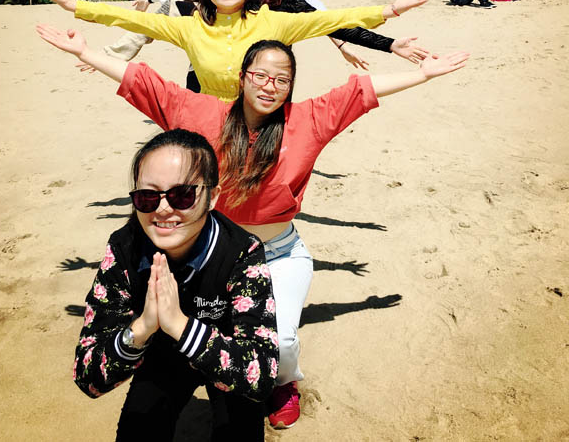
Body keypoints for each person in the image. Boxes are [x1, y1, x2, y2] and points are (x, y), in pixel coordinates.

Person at [35, 28, 470, 429]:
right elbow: (150, 86)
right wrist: (86, 52)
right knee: (187, 345)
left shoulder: (309, 119)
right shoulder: (205, 114)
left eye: (282, 79)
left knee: (281, 341)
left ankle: (284, 383)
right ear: (242, 78)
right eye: (260, 75)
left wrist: (423, 75)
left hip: (279, 253)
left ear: (291, 86)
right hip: (215, 256)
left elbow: (360, 91)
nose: (269, 86)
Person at [73, 128, 278, 440]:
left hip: (226, 352)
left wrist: (180, 326)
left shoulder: (241, 252)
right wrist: (141, 328)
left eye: (182, 195)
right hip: (161, 356)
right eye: (147, 196)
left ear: (213, 197)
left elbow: (261, 374)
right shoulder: (124, 249)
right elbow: (88, 378)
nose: (163, 209)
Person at [27, 0, 436, 100]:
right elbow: (129, 16)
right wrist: (72, 5)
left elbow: (332, 19)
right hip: (207, 123)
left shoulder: (274, 22)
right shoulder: (190, 28)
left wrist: (391, 10)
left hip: (259, 122)